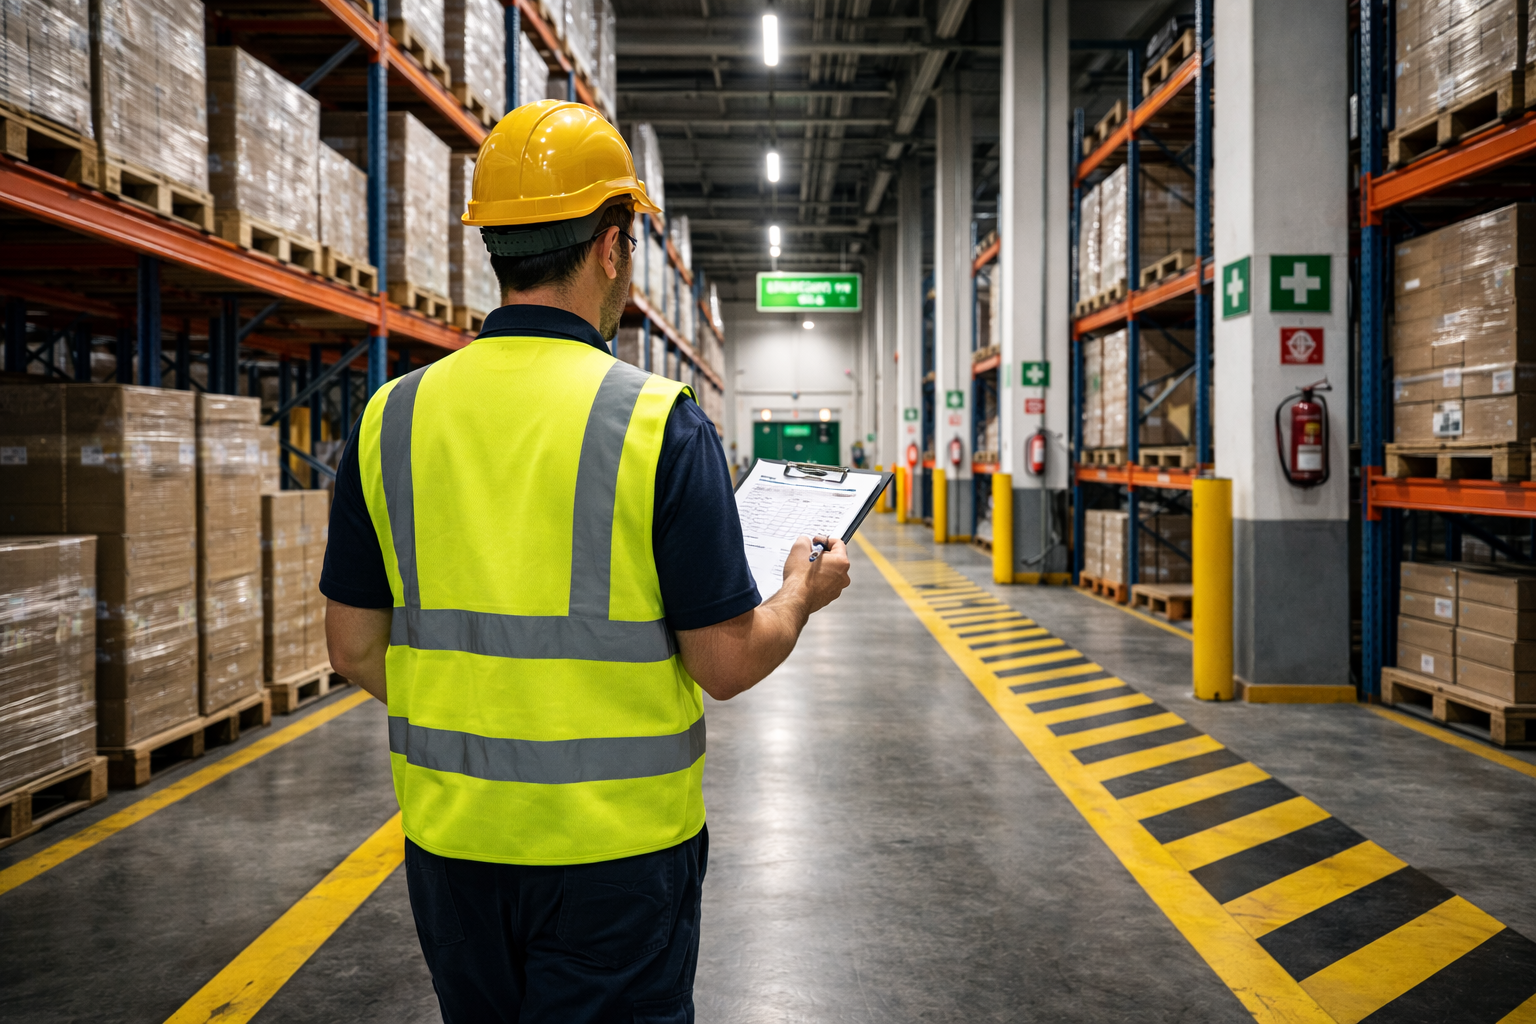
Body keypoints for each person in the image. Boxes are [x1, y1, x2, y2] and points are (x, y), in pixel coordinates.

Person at [320, 100, 852, 1024]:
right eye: (633, 243)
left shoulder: (390, 418)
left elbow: (355, 649)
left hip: (453, 850)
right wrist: (800, 594)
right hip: (618, 860)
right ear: (610, 245)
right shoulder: (657, 421)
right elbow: (724, 662)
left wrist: (487, 721)